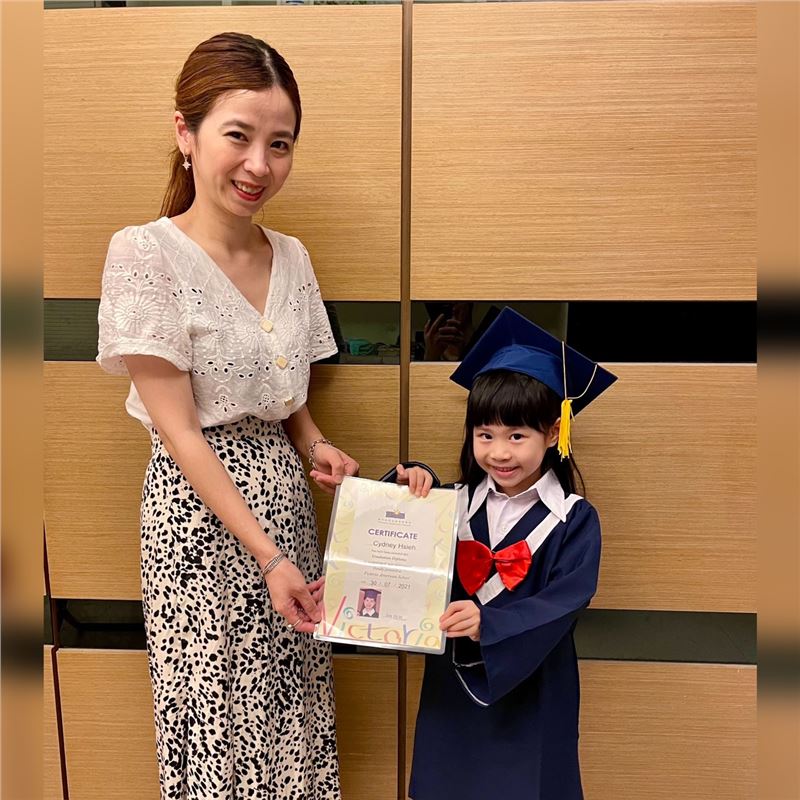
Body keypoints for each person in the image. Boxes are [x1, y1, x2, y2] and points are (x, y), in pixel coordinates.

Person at [96, 32, 357, 800]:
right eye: (238, 136)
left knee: (288, 708)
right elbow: (179, 429)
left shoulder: (293, 256)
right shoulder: (144, 254)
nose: (259, 165)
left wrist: (315, 442)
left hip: (283, 503)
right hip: (197, 518)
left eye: (280, 144)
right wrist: (268, 558)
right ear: (186, 132)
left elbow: (284, 391)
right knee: (216, 713)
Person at [395, 307, 617, 800]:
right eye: (486, 435)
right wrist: (408, 488)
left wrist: (490, 624)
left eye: (517, 436)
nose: (499, 452)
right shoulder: (450, 504)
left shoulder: (573, 519)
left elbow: (566, 600)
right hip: (453, 686)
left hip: (534, 688)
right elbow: (395, 549)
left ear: (553, 433)